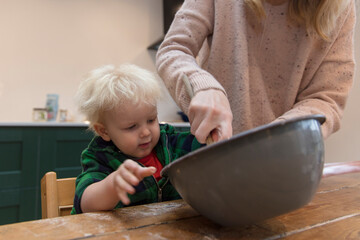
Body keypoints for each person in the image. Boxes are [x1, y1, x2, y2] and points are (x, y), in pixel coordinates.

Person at [156, 0, 356, 143]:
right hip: (215, 162)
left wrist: (280, 135)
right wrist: (203, 86)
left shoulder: (341, 8)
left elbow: (326, 98)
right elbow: (174, 49)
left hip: (287, 167)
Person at [71, 64, 203, 214]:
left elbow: (209, 149)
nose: (146, 132)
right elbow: (85, 203)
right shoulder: (100, 157)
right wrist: (111, 185)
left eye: (151, 120)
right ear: (104, 131)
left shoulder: (171, 142)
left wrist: (209, 134)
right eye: (132, 127)